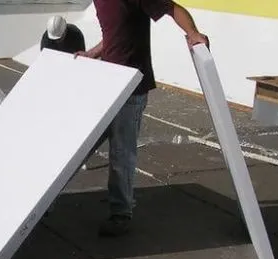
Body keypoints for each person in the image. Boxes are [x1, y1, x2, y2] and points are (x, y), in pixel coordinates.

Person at [75, 0, 209, 236]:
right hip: (108, 80)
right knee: (83, 143)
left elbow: (172, 8)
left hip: (132, 87)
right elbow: (115, 35)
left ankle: (121, 213)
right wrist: (92, 53)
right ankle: (118, 200)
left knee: (121, 152)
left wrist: (193, 33)